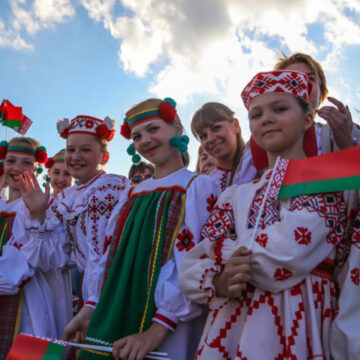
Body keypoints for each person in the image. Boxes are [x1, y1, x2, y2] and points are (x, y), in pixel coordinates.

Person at [180, 70, 358, 359]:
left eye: (280, 108)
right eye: (256, 114)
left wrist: (224, 256)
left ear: (308, 119)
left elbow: (287, 253)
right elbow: (193, 263)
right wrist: (218, 282)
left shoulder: (328, 181)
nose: (266, 119)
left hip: (298, 320)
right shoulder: (235, 194)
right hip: (230, 325)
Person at [80, 98, 220, 360]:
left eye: (153, 129)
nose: (145, 140)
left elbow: (194, 259)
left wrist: (161, 325)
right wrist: (91, 305)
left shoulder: (198, 186)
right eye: (137, 136)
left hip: (169, 323)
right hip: (118, 308)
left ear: (177, 128)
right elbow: (110, 255)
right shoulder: (131, 193)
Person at [16, 115, 129, 343]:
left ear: (104, 156)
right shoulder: (67, 197)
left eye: (85, 150)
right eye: (70, 150)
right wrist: (38, 214)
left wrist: (93, 303)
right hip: (90, 294)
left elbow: (103, 255)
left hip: (112, 292)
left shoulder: (110, 188)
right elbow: (53, 257)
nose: (75, 157)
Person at [0, 136, 68, 357]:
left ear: (37, 167)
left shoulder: (47, 205)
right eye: (11, 160)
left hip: (30, 305)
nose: (17, 168)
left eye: (27, 162)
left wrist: (37, 214)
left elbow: (49, 259)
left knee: (30, 353)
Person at [191, 102, 252, 191]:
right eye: (203, 136)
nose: (210, 139)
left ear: (236, 125)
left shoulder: (260, 162)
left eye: (216, 128)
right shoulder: (204, 187)